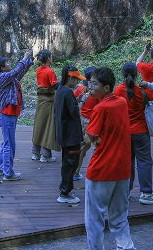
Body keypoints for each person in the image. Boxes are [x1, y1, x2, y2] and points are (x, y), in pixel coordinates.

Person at [83, 67, 135, 250]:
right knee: (119, 217)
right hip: (122, 169)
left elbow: (88, 137)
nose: (90, 87)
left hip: (101, 170)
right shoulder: (121, 102)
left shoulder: (100, 108)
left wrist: (92, 136)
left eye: (94, 84)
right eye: (90, 82)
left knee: (94, 219)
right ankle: (126, 247)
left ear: (106, 88)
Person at [115, 63, 153, 205]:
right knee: (144, 162)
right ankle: (146, 193)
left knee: (127, 162)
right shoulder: (142, 91)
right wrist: (149, 84)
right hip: (141, 132)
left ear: (123, 74)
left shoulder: (118, 90)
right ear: (137, 75)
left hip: (125, 132)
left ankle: (126, 192)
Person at [0, 49, 34, 181]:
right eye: (7, 63)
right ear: (2, 68)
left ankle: (1, 167)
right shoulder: (2, 77)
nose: (9, 64)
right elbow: (16, 71)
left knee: (7, 142)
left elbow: (20, 72)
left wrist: (29, 60)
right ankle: (8, 173)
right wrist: (24, 57)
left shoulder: (10, 78)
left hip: (10, 115)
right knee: (9, 144)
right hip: (7, 115)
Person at [54, 65, 85, 204]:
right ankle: (65, 192)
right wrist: (79, 103)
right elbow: (73, 113)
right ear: (70, 78)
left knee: (67, 163)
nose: (78, 82)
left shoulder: (60, 91)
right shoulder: (67, 93)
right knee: (71, 163)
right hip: (71, 135)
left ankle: (66, 190)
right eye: (76, 79)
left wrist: (76, 101)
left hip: (64, 134)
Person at [32, 49, 59, 163]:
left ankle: (35, 153)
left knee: (39, 125)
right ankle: (45, 154)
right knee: (48, 127)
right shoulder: (50, 71)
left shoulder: (38, 70)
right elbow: (54, 86)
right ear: (49, 59)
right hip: (48, 101)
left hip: (40, 101)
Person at [74, 66, 97, 181]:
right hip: (93, 121)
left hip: (82, 120)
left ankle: (75, 172)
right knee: (96, 146)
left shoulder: (81, 89)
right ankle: (97, 170)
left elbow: (74, 99)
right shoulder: (96, 92)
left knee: (82, 146)